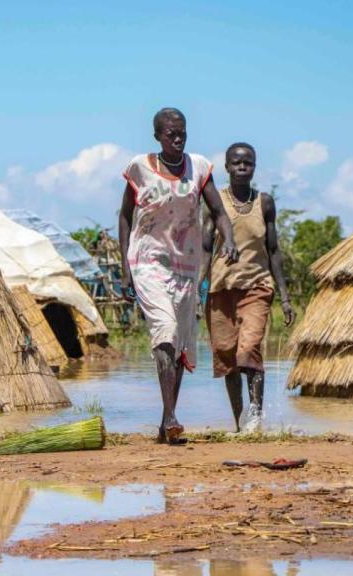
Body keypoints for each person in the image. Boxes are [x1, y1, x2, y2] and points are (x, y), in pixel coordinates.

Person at [119, 108, 238, 444]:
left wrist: (228, 239)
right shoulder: (139, 168)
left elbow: (218, 211)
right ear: (157, 135)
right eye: (171, 133)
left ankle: (165, 424)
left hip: (186, 266)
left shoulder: (198, 168)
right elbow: (126, 218)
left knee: (181, 343)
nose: (178, 138)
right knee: (166, 331)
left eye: (182, 132)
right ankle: (172, 416)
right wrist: (126, 268)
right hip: (147, 260)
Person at [202, 143, 295, 433]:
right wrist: (196, 290)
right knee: (228, 357)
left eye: (248, 163)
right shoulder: (215, 202)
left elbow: (274, 250)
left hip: (257, 285)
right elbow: (205, 249)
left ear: (254, 167)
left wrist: (285, 296)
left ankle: (255, 417)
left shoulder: (264, 203)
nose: (242, 167)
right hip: (220, 289)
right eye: (236, 163)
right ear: (227, 167)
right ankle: (239, 422)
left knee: (249, 349)